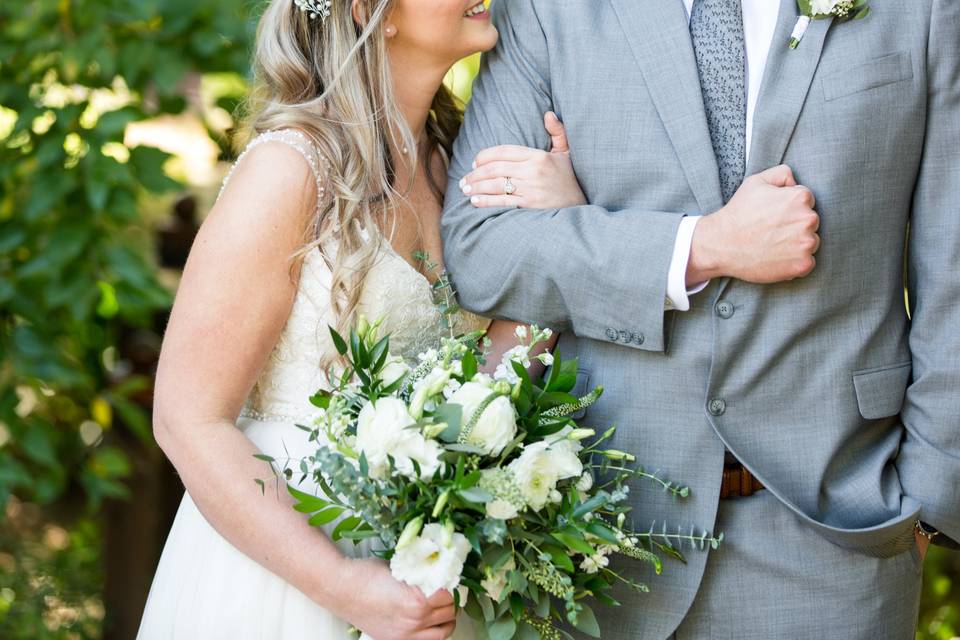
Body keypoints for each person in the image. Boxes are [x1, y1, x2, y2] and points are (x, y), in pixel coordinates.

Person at [442, 0, 960, 638]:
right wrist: (700, 247)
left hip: (839, 541)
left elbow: (952, 269)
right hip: (602, 542)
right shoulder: (549, 10)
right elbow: (481, 250)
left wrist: (933, 504)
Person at [136, 1, 562, 638]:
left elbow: (497, 379)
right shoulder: (290, 169)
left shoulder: (467, 164)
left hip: (430, 576)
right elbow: (187, 418)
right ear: (372, 10)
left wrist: (562, 227)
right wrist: (342, 586)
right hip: (283, 578)